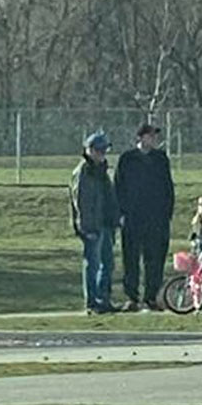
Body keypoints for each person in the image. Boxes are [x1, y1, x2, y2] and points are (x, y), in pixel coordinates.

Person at [114, 123, 175, 311]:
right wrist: (120, 214)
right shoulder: (127, 159)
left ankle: (151, 296)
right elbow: (118, 187)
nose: (154, 139)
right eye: (150, 136)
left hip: (156, 219)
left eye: (155, 136)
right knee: (131, 258)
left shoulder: (160, 159)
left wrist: (167, 213)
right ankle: (132, 297)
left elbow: (168, 188)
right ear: (140, 137)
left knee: (155, 259)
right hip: (133, 218)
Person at [70, 131, 120, 314]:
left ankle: (104, 298)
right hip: (92, 226)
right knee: (92, 263)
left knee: (107, 263)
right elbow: (81, 202)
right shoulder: (83, 171)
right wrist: (86, 227)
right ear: (89, 150)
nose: (101, 154)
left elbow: (109, 197)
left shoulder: (102, 171)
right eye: (98, 150)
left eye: (104, 150)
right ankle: (92, 301)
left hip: (106, 223)